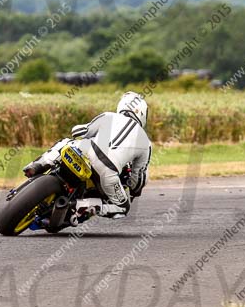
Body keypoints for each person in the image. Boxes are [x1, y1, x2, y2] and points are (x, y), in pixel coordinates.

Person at [22, 91, 152, 218]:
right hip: (107, 171)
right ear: (142, 114)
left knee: (65, 142)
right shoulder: (146, 143)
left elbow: (80, 131)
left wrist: (81, 132)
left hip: (84, 150)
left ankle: (37, 165)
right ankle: (76, 205)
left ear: (122, 105)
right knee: (123, 207)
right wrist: (135, 190)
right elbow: (138, 178)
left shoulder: (108, 116)